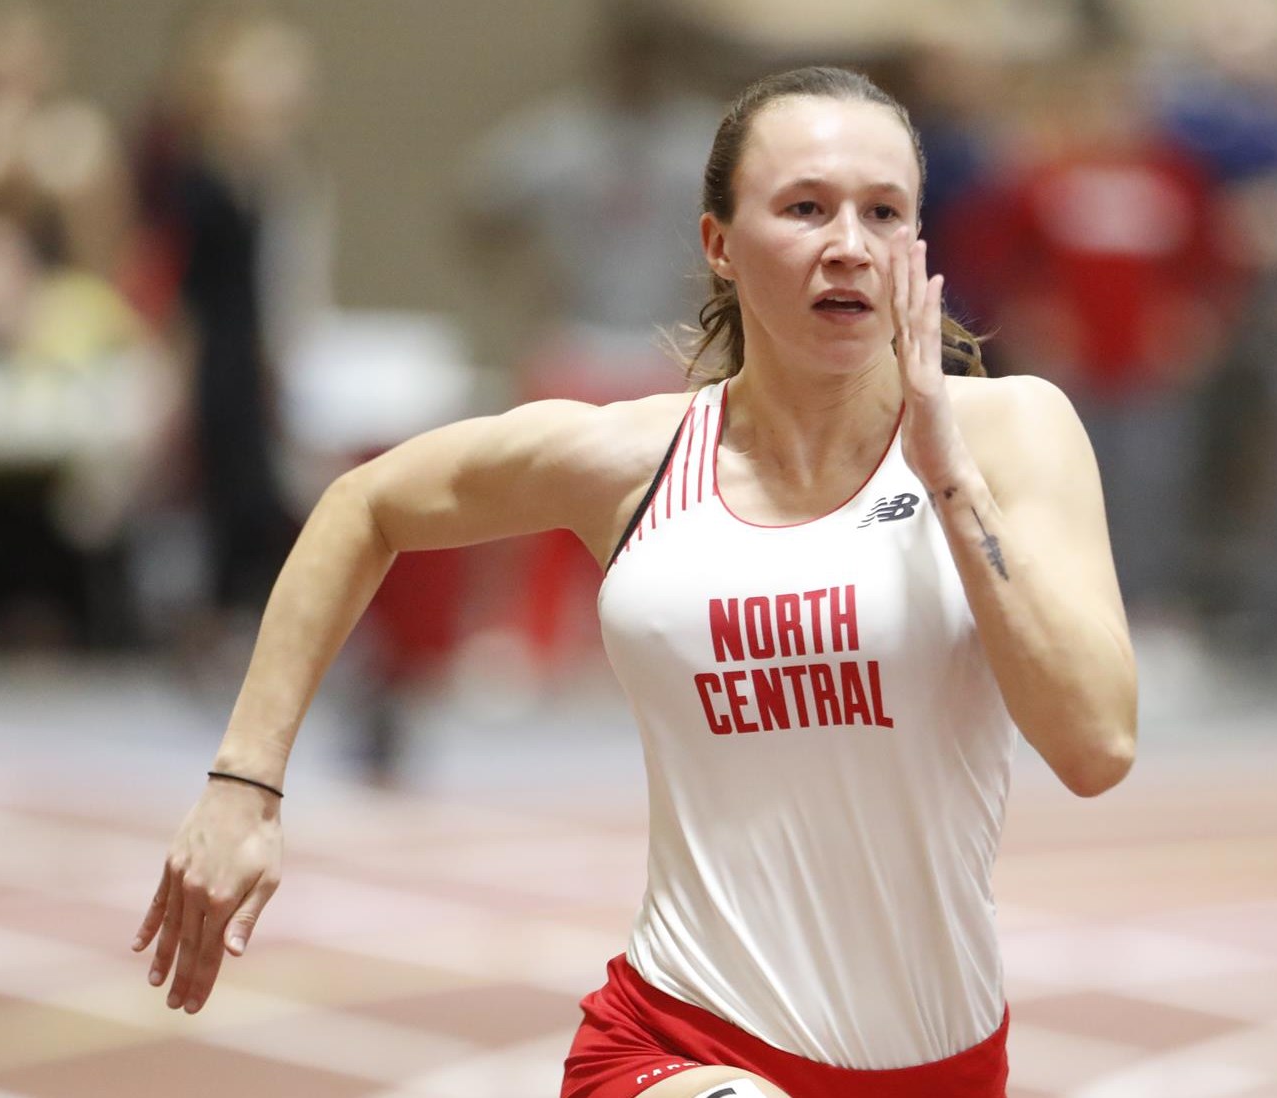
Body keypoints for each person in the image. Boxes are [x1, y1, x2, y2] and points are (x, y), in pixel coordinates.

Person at [131, 66, 1137, 1098]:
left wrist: (950, 484)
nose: (848, 244)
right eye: (804, 208)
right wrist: (244, 785)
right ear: (719, 244)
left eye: (883, 212)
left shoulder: (1011, 435)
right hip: (678, 1043)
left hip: (943, 1068)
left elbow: (1096, 746)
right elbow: (365, 506)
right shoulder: (637, 459)